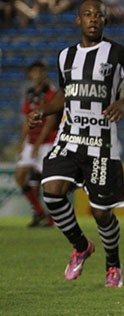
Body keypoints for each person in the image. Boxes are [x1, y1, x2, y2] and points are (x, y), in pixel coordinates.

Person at [27, 0, 124, 288]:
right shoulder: (65, 56)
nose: (93, 19)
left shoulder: (118, 53)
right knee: (52, 192)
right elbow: (64, 94)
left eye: (99, 15)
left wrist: (123, 102)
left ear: (105, 21)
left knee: (102, 213)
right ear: (78, 20)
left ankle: (113, 264)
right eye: (87, 14)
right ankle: (81, 247)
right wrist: (43, 111)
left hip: (102, 145)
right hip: (69, 138)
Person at [16, 61, 59, 228]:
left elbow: (50, 120)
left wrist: (37, 144)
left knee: (49, 183)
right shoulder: (29, 94)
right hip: (32, 142)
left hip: (47, 142)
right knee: (20, 176)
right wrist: (22, 141)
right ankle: (40, 212)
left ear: (45, 74)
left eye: (41, 71)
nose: (38, 74)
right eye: (34, 71)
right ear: (30, 74)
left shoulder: (51, 92)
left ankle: (52, 216)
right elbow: (27, 120)